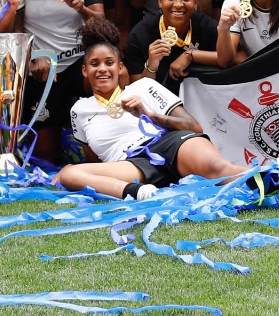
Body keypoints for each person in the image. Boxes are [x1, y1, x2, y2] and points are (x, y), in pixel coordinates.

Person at [56, 18, 247, 200]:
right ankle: (139, 192)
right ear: (84, 70)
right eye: (94, 64)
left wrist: (149, 115)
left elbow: (194, 127)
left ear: (120, 67)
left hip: (170, 143)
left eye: (109, 62)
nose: (102, 69)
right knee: (69, 174)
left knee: (219, 170)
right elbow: (95, 160)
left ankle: (273, 176)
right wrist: (82, 175)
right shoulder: (79, 109)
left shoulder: (143, 86)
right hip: (129, 164)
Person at [3, 0, 106, 158]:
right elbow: (17, 29)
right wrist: (33, 57)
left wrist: (81, 8)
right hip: (45, 69)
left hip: (80, 65)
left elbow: (102, 26)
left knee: (115, 76)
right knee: (47, 155)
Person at [124, 0, 220, 92]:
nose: (178, 4)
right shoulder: (140, 34)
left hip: (202, 101)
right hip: (159, 106)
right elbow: (138, 92)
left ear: (196, 2)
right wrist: (151, 65)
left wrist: (191, 55)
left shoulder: (207, 27)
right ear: (160, 1)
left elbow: (235, 58)